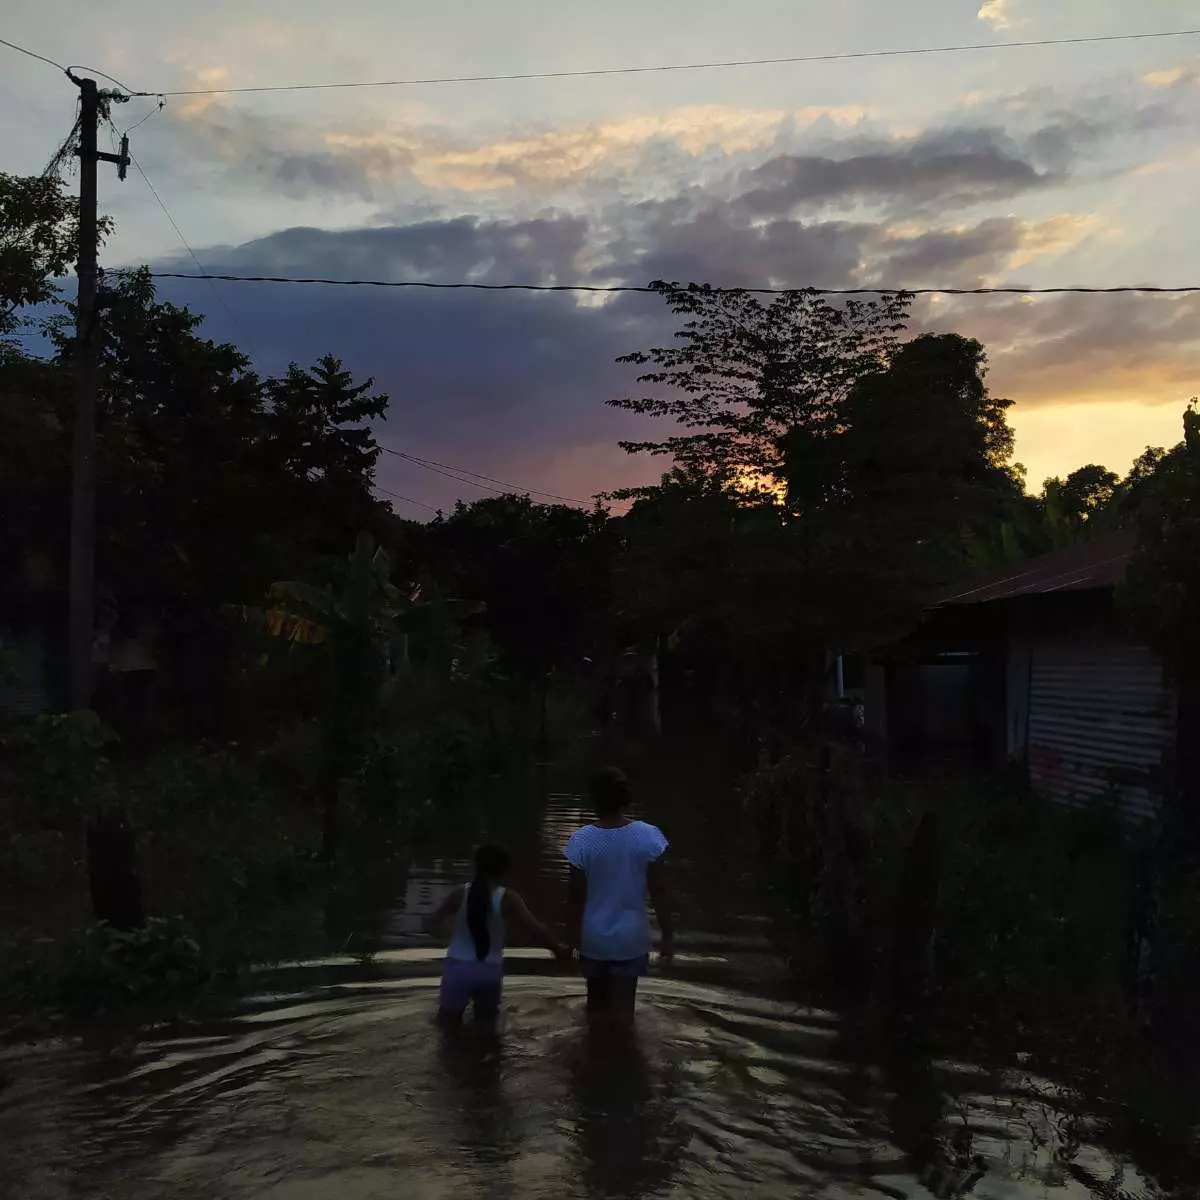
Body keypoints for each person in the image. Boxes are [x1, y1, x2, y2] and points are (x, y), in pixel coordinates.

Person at [565, 767, 673, 1025]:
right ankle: (625, 1062)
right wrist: (668, 936)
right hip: (630, 940)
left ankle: (593, 1061)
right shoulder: (648, 836)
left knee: (595, 1016)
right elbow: (659, 892)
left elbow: (575, 898)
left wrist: (570, 941)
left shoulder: (581, 841)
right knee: (624, 1019)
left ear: (593, 800)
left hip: (594, 940)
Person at [428, 843, 569, 1025]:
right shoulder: (508, 898)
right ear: (504, 869)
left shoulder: (458, 894)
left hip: (457, 969)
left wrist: (450, 934)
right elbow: (536, 930)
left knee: (447, 1027)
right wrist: (558, 950)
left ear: (475, 865)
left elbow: (432, 924)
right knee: (486, 1030)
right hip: (489, 970)